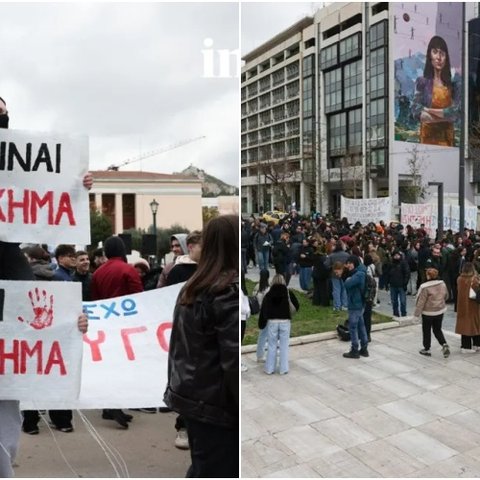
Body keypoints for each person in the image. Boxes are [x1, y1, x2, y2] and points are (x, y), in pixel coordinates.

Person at [0, 95, 89, 476]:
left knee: (6, 445)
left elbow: (45, 320)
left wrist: (72, 323)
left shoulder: (12, 261)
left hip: (5, 382)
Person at [164, 215, 239, 478]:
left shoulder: (194, 286)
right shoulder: (225, 291)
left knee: (203, 466)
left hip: (193, 399)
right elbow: (232, 361)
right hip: (217, 405)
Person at [91, 236, 143, 428]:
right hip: (125, 325)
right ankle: (115, 406)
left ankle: (108, 407)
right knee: (122, 367)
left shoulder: (97, 273)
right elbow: (138, 298)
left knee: (109, 366)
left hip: (106, 324)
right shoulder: (128, 270)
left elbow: (96, 300)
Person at [412, 35, 460, 146]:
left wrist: (428, 110)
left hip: (447, 143)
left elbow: (456, 113)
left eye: (442, 53)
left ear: (446, 58)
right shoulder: (422, 83)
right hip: (427, 142)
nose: (439, 57)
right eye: (435, 52)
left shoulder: (453, 86)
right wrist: (445, 117)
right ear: (430, 55)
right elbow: (415, 111)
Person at [259, 274, 299, 375]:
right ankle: (283, 369)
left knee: (272, 345)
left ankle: (269, 369)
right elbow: (297, 305)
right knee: (284, 346)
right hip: (285, 321)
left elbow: (264, 309)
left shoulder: (268, 294)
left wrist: (262, 322)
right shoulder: (288, 292)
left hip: (272, 321)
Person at [415, 266, 450, 358]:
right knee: (437, 330)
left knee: (426, 331)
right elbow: (446, 296)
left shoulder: (425, 287)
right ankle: (444, 344)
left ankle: (427, 349)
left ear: (428, 276)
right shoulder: (442, 284)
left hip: (428, 313)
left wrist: (416, 315)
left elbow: (420, 302)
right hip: (440, 311)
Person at [342, 256, 369, 359]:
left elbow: (347, 284)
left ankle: (354, 350)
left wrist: (348, 279)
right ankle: (364, 348)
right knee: (361, 325)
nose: (347, 265)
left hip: (355, 304)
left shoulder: (358, 274)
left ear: (354, 263)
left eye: (349, 263)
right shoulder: (360, 272)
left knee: (353, 327)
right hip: (359, 303)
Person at [455, 262, 480, 353]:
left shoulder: (459, 279)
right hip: (473, 306)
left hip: (462, 306)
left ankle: (465, 346)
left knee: (464, 325)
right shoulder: (474, 279)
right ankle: (476, 344)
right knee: (475, 324)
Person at [386, 249, 410, 317]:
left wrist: (405, 283)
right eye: (395, 255)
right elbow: (388, 274)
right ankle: (396, 314)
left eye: (398, 255)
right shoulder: (391, 264)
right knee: (394, 301)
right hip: (393, 285)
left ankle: (403, 314)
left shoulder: (403, 263)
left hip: (401, 285)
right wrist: (387, 283)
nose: (396, 257)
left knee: (403, 302)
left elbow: (407, 273)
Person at [252, 269, 270, 362]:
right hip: (267, 314)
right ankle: (260, 355)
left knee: (263, 334)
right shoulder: (268, 289)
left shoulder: (256, 287)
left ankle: (260, 354)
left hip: (259, 313)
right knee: (264, 335)